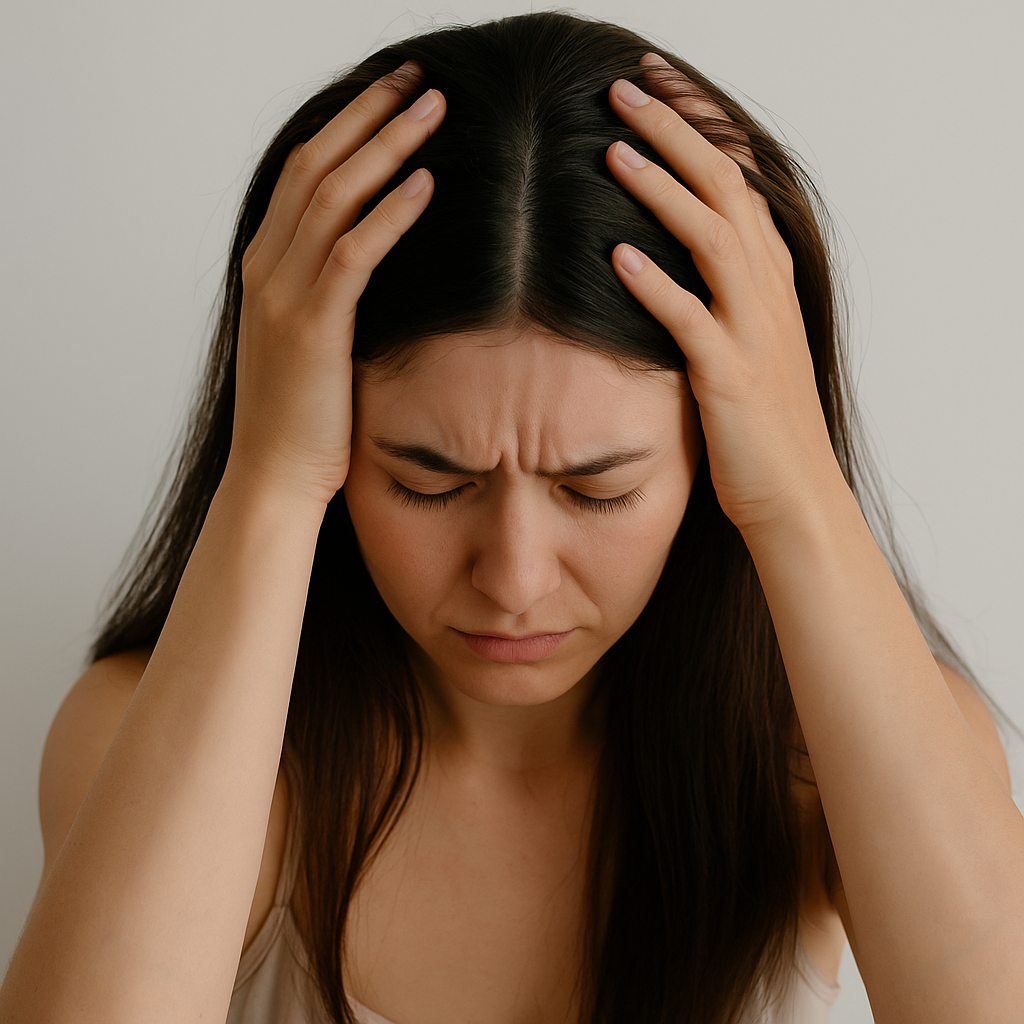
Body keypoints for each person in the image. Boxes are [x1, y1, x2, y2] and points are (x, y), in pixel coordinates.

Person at [1, 11, 1021, 1024]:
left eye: (596, 489)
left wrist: (796, 486)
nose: (515, 577)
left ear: (718, 455)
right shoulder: (138, 735)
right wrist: (269, 480)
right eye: (428, 482)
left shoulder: (826, 757)